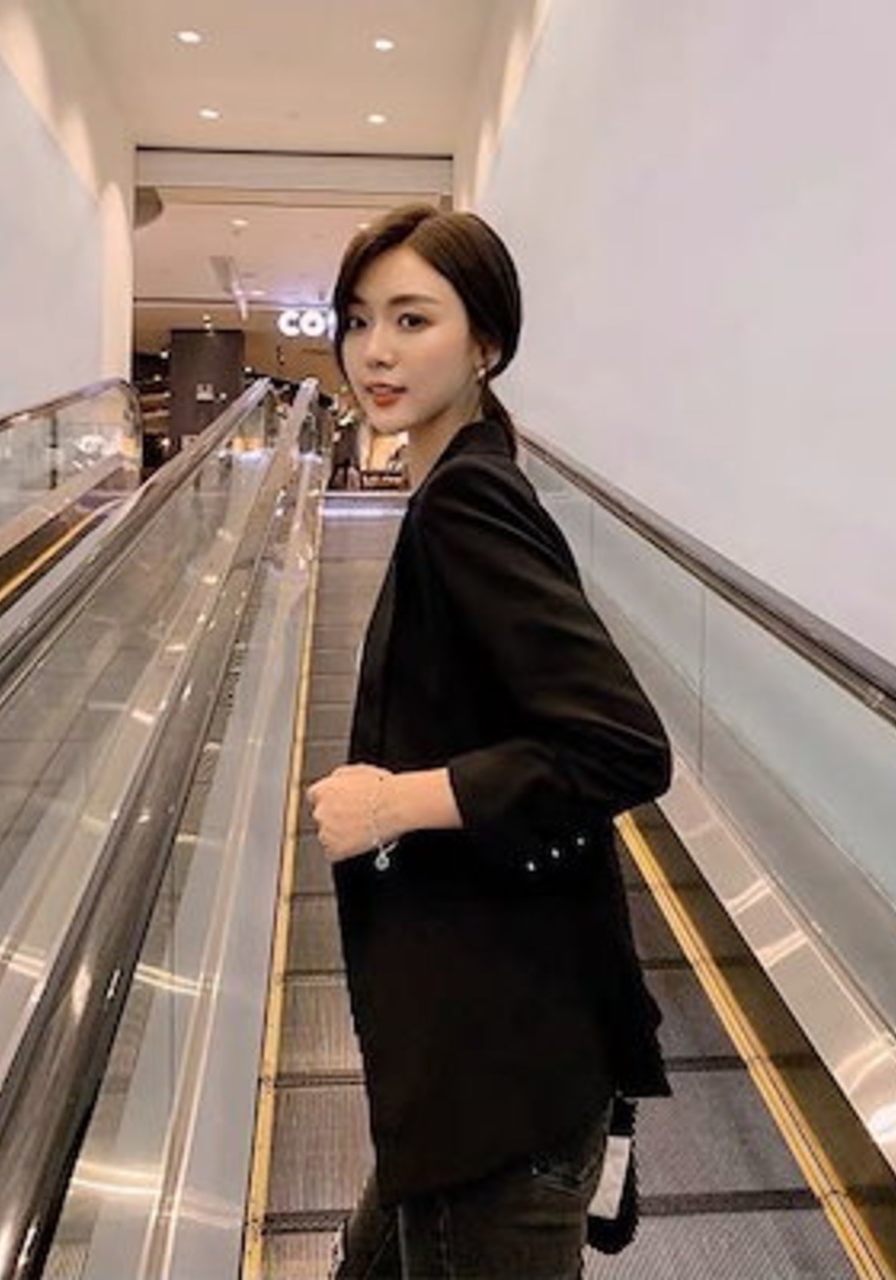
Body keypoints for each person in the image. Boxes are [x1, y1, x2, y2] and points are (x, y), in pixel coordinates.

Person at [307, 204, 671, 1280]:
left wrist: (396, 799)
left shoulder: (466, 498)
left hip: (499, 1074)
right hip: (472, 1062)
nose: (374, 350)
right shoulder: (458, 480)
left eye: (412, 319)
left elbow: (621, 744)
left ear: (485, 345)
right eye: (358, 319)